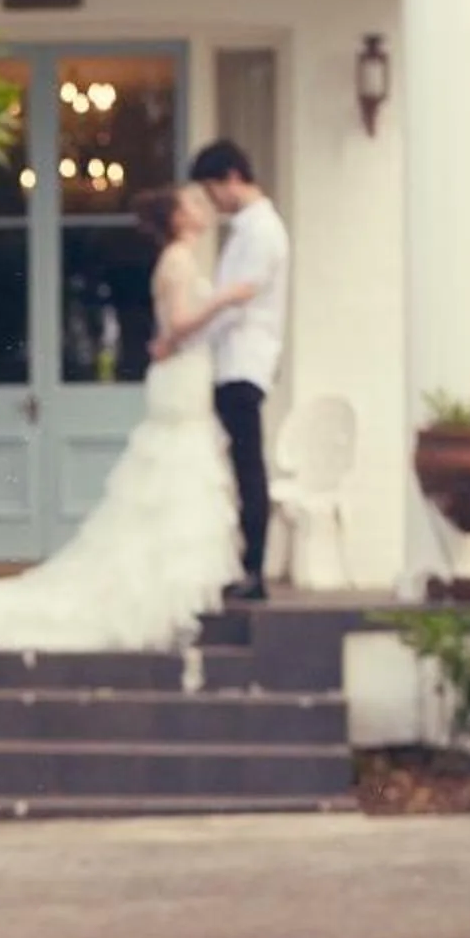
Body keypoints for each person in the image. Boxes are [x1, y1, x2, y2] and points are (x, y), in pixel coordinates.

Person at [0, 183, 254, 653]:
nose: (203, 208)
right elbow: (177, 325)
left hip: (187, 373)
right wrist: (225, 299)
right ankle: (162, 590)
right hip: (180, 378)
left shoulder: (184, 259)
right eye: (193, 203)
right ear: (177, 217)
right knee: (173, 470)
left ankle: (178, 589)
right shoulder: (177, 260)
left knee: (181, 474)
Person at [170, 138, 290, 605]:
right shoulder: (246, 230)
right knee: (241, 464)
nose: (212, 201)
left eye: (212, 189)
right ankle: (245, 566)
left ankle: (254, 569)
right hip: (232, 359)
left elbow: (239, 297)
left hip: (245, 361)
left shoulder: (262, 231)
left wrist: (187, 329)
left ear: (233, 178)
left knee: (248, 465)